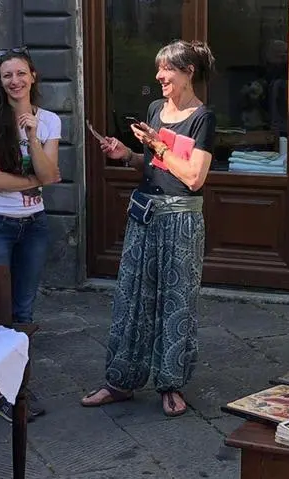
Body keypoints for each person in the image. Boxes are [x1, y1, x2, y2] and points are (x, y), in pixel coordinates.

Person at [81, 39, 216, 417]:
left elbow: (193, 176)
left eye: (167, 70)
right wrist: (127, 155)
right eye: (158, 69)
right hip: (145, 214)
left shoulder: (203, 117)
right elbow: (155, 166)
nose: (159, 76)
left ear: (188, 72)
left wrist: (156, 147)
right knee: (131, 298)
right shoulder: (156, 109)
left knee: (175, 302)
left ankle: (170, 385)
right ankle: (120, 381)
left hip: (181, 221)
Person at [0, 46, 62, 422]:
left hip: (34, 225)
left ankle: (18, 387)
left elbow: (51, 174)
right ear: (0, 80)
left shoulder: (49, 121)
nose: (15, 81)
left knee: (23, 310)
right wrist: (34, 180)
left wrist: (31, 133)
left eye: (21, 73)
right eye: (7, 75)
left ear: (33, 76)